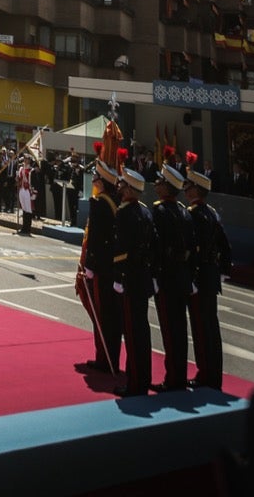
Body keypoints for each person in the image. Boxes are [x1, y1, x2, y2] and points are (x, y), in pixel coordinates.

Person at [183, 152, 232, 390]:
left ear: (196, 191)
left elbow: (192, 250)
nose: (185, 189)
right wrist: (222, 270)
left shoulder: (193, 215)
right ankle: (215, 375)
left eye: (188, 186)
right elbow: (225, 245)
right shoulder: (212, 213)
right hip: (211, 275)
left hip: (199, 277)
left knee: (201, 328)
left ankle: (205, 375)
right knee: (212, 327)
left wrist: (190, 277)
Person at [111, 162, 158, 397]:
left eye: (122, 184)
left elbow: (121, 249)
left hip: (130, 277)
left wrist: (119, 276)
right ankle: (143, 377)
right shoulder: (146, 211)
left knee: (132, 332)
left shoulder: (125, 213)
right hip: (144, 277)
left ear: (129, 190)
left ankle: (135, 383)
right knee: (142, 330)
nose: (119, 187)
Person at [152, 149, 196, 391]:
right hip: (181, 276)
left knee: (170, 330)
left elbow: (156, 246)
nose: (156, 184)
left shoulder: (160, 212)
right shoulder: (182, 211)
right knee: (180, 329)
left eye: (159, 181)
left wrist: (155, 274)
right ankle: (179, 376)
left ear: (167, 187)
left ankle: (173, 380)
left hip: (167, 278)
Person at [75, 145, 121, 376]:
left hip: (101, 268)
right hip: (113, 266)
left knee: (103, 315)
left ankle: (104, 359)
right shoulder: (116, 200)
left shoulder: (100, 203)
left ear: (101, 181)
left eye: (96, 176)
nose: (93, 179)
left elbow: (95, 238)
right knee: (111, 315)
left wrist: (89, 266)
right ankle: (109, 356)